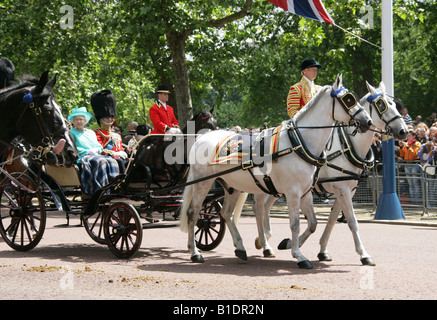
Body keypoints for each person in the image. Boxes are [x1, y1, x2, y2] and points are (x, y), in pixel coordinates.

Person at [68, 107, 120, 196]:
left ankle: (113, 186)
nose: (79, 121)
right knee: (101, 161)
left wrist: (97, 150)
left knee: (112, 160)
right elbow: (72, 148)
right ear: (73, 121)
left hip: (95, 155)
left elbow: (99, 146)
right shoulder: (71, 132)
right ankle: (100, 190)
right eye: (76, 120)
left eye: (81, 119)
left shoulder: (90, 132)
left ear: (85, 121)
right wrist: (87, 152)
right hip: (81, 156)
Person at [91, 89, 128, 172]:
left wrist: (123, 152)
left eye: (111, 117)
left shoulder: (116, 135)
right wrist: (113, 154)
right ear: (100, 119)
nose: (109, 119)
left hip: (119, 158)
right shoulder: (96, 133)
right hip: (107, 158)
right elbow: (100, 149)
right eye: (106, 117)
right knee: (119, 161)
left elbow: (120, 148)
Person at [398, 130, 422, 204]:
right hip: (407, 165)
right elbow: (402, 154)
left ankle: (417, 202)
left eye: (409, 136)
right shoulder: (406, 144)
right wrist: (401, 147)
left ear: (414, 136)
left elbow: (415, 154)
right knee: (410, 184)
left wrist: (408, 147)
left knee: (415, 184)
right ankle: (413, 201)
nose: (407, 137)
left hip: (414, 164)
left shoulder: (417, 144)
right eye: (407, 136)